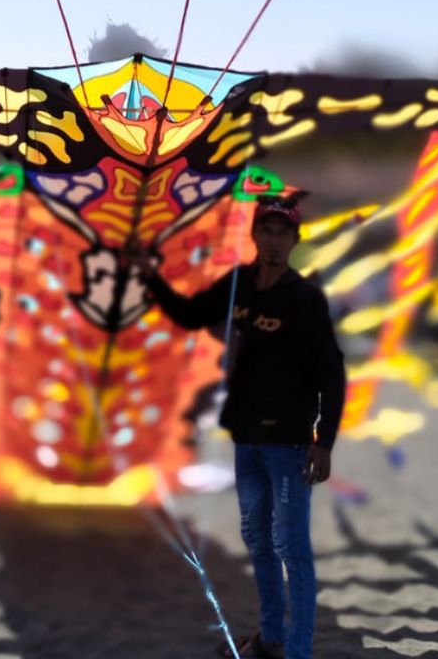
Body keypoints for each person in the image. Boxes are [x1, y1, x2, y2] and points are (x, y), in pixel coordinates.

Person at [136, 194, 347, 659]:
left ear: (295, 239)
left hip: (290, 443)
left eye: (283, 233)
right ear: (254, 234)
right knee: (257, 541)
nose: (274, 241)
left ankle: (297, 651)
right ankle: (271, 640)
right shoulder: (239, 285)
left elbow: (332, 371)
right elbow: (190, 314)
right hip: (247, 438)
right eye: (266, 231)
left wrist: (324, 441)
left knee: (292, 547)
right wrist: (152, 278)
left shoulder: (304, 299)